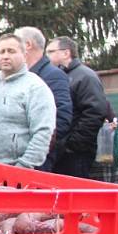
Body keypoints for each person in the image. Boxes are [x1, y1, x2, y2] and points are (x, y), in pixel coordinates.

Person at [0, 34, 55, 168]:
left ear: (24, 55)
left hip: (18, 170)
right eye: (1, 52)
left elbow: (43, 132)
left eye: (11, 51)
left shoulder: (36, 87)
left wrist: (24, 166)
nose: (5, 56)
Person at [46, 36, 107, 178]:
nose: (46, 56)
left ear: (66, 53)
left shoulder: (85, 77)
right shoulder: (59, 77)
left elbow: (95, 112)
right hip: (60, 151)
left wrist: (71, 145)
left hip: (76, 154)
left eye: (50, 52)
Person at [14, 27, 72, 171]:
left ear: (27, 45)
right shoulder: (17, 77)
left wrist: (37, 148)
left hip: (38, 160)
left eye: (15, 44)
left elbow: (62, 119)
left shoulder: (53, 76)